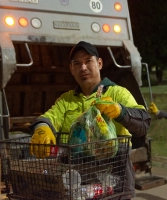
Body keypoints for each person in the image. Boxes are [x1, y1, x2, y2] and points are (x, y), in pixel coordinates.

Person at [29, 41, 151, 199]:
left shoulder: (117, 93)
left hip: (115, 182)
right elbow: (49, 117)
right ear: (71, 69)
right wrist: (42, 127)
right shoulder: (67, 100)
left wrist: (121, 111)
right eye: (77, 63)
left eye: (88, 61)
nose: (83, 68)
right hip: (77, 183)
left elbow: (144, 123)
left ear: (99, 63)